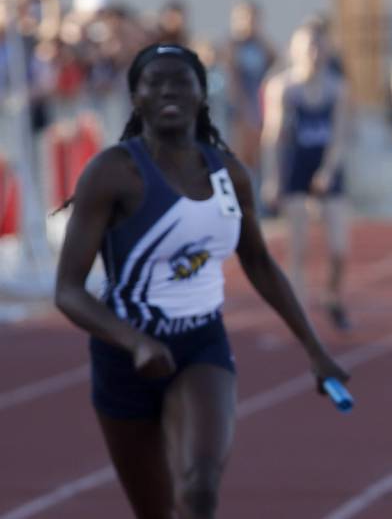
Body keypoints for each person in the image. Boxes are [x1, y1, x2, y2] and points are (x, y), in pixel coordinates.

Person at [54, 43, 348, 519]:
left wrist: (314, 348)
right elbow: (67, 289)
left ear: (201, 94)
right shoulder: (112, 173)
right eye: (155, 81)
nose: (169, 90)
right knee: (155, 510)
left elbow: (258, 262)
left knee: (200, 487)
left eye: (181, 80)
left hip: (200, 345)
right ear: (136, 97)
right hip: (124, 355)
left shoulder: (229, 173)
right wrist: (134, 344)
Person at [261, 17, 350, 329]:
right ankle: (299, 317)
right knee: (298, 248)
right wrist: (272, 178)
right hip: (295, 165)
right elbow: (273, 135)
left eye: (317, 46)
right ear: (295, 50)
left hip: (326, 164)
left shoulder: (337, 87)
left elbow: (339, 136)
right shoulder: (282, 87)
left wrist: (327, 170)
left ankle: (332, 296)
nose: (313, 52)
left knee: (339, 248)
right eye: (307, 46)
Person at [225, 0, 277, 197]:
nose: (249, 22)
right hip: (239, 112)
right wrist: (244, 108)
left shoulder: (264, 47)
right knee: (239, 154)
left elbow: (273, 70)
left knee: (260, 155)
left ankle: (258, 198)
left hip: (259, 109)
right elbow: (233, 81)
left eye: (253, 17)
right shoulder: (231, 47)